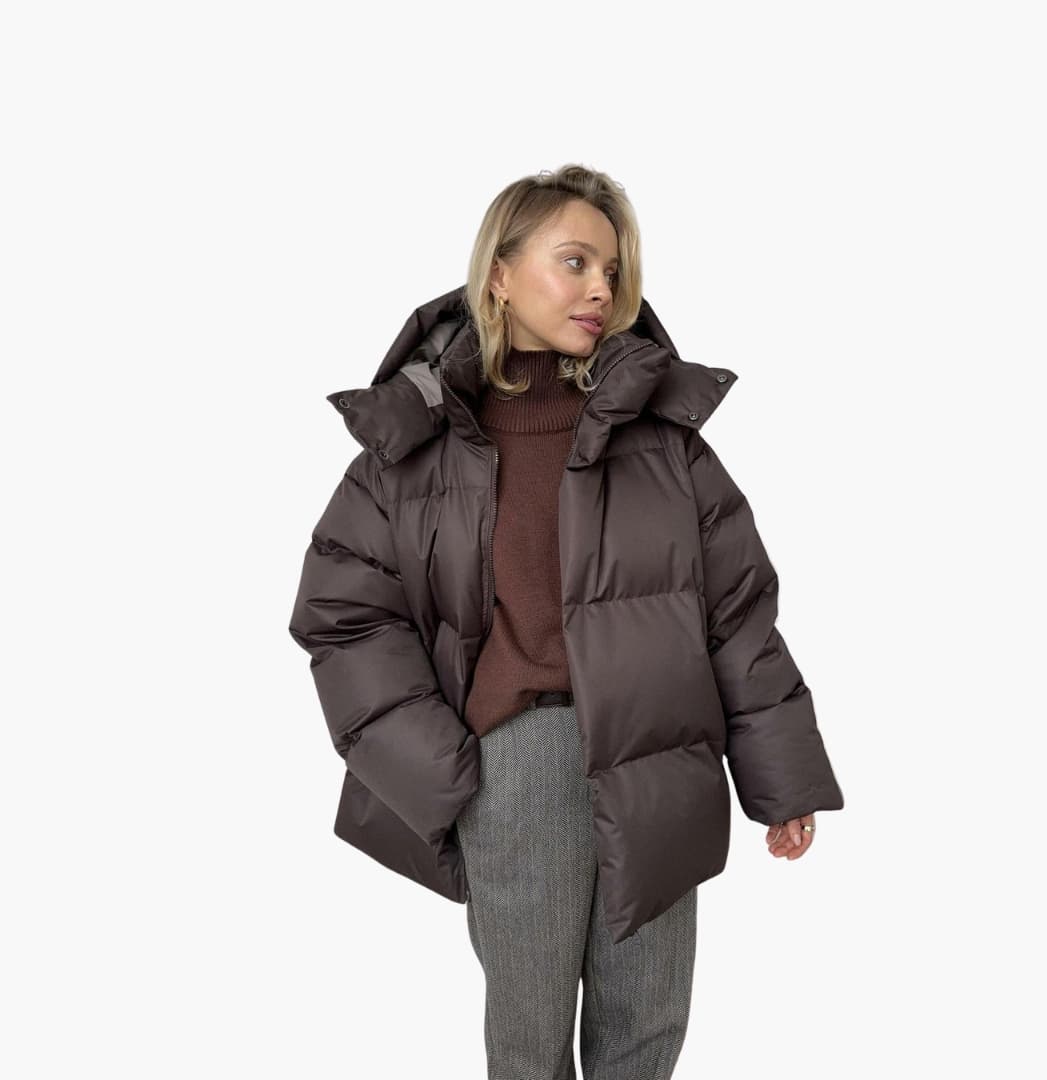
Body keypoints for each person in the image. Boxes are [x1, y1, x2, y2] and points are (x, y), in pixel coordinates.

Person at [288, 163, 844, 1079]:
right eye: (576, 261)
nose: (601, 289)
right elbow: (345, 615)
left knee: (647, 1028)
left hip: (662, 758)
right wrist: (448, 765)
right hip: (518, 764)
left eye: (613, 271)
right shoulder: (415, 448)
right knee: (529, 1035)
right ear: (500, 274)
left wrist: (781, 780)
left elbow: (739, 614)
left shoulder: (664, 442)